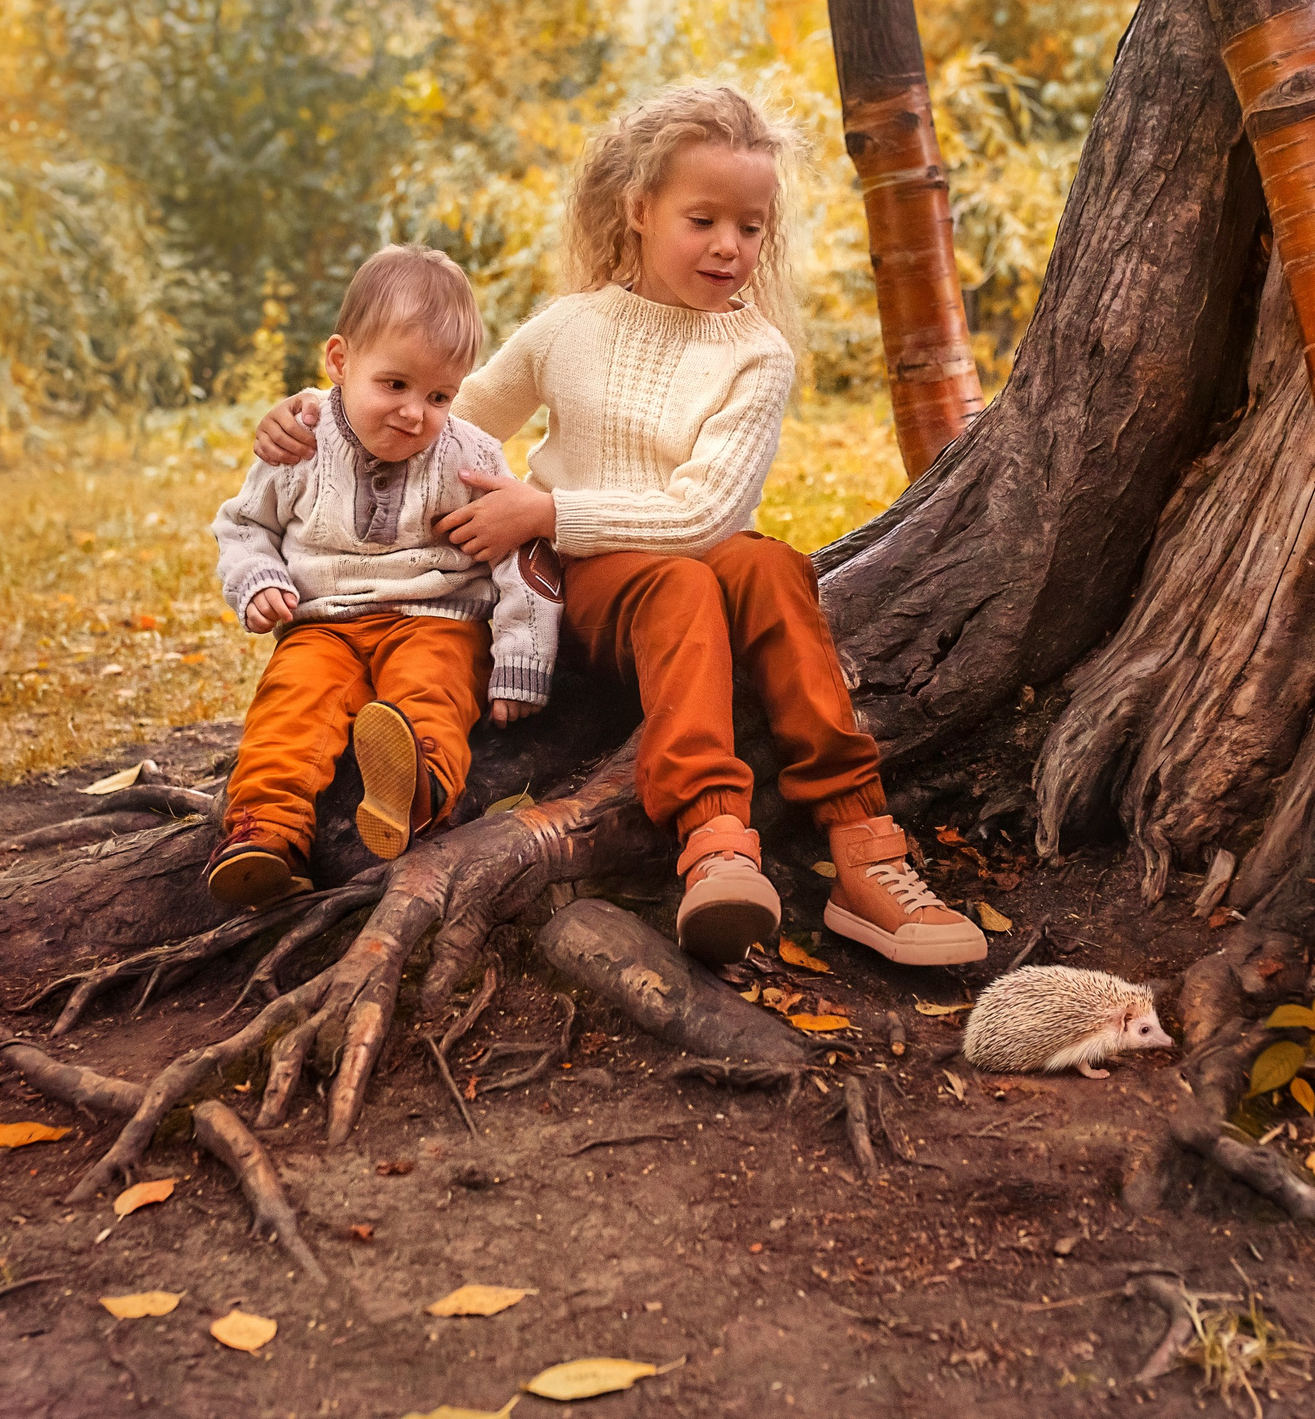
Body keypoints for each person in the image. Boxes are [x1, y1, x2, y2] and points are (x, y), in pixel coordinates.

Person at [253, 85, 983, 968]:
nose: (728, 246)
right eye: (702, 218)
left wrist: (545, 505)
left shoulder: (756, 354)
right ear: (640, 209)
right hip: (589, 583)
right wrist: (315, 415)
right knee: (681, 580)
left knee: (773, 567)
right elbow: (446, 415)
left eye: (749, 227)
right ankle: (714, 839)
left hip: (678, 548)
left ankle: (865, 845)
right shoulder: (573, 327)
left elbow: (707, 509)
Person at [207, 245, 557, 908]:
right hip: (323, 624)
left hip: (437, 620)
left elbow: (521, 556)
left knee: (433, 694)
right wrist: (255, 580)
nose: (414, 412)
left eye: (438, 395)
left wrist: (519, 661)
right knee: (291, 708)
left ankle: (415, 787)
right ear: (340, 362)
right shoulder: (303, 442)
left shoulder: (469, 456)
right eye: (394, 385)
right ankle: (263, 834)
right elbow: (244, 525)